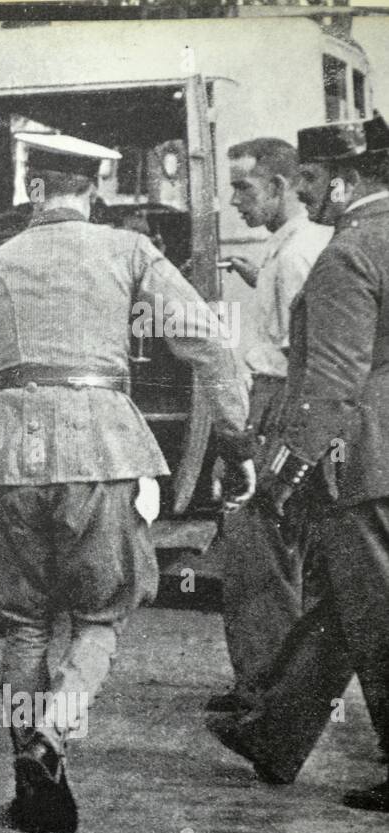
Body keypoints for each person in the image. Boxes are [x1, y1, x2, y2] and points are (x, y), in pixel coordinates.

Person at [0, 133, 254, 833]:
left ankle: (30, 772)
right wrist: (235, 439)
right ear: (94, 190)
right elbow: (209, 343)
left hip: (7, 453)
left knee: (22, 627)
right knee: (100, 615)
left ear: (36, 189)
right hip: (103, 450)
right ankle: (56, 735)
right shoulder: (130, 251)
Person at [207, 113, 389, 811]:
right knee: (344, 606)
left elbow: (334, 381)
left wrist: (289, 470)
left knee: (375, 614)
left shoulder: (351, 252)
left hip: (364, 459)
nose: (307, 195)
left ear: (343, 181)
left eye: (311, 179)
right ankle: (275, 733)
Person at [207, 138, 332, 713]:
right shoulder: (294, 248)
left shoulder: (298, 254)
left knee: (259, 551)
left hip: (276, 402)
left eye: (243, 188)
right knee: (278, 550)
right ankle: (269, 686)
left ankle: (265, 694)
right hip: (277, 398)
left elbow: (301, 353)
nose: (234, 201)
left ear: (281, 188)